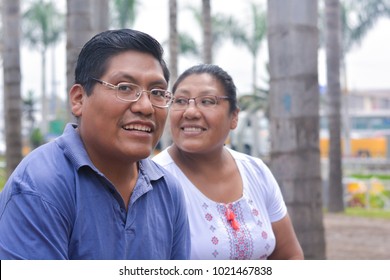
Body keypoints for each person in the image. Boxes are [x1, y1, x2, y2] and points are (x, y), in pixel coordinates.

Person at [0, 29, 190, 260]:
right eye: (124, 88)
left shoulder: (168, 190)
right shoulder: (40, 186)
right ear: (79, 99)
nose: (146, 107)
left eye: (157, 92)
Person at [153, 64, 304, 260]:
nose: (190, 112)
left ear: (234, 117)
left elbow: (289, 256)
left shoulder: (256, 171)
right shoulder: (155, 182)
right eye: (180, 101)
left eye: (207, 101)